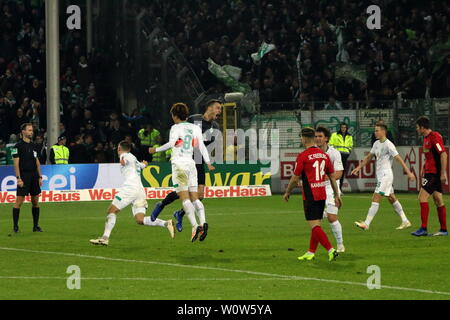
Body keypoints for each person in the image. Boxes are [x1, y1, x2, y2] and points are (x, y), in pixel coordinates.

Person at [150, 99, 222, 233]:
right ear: (209, 108)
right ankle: (162, 204)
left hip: (197, 160)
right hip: (186, 157)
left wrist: (207, 160)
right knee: (183, 193)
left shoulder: (215, 127)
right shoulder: (194, 120)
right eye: (218, 108)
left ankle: (180, 214)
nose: (220, 111)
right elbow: (181, 133)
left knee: (199, 195)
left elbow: (205, 144)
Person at [90, 140, 175, 246]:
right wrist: (145, 164)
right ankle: (166, 223)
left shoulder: (124, 156)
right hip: (140, 190)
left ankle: (105, 238)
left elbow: (124, 160)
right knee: (140, 219)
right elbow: (142, 166)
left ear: (119, 148)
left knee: (111, 210)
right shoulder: (134, 158)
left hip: (130, 188)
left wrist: (123, 161)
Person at [283, 127, 342, 262]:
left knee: (314, 226)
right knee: (316, 224)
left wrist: (288, 191)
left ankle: (331, 250)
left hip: (310, 195)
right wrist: (337, 195)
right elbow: (332, 177)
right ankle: (311, 252)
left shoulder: (303, 156)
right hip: (322, 194)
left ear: (304, 139)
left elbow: (295, 178)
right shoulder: (324, 155)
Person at [352, 122, 415, 230]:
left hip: (386, 175)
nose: (375, 132)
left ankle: (366, 223)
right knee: (391, 197)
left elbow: (398, 158)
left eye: (377, 130)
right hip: (381, 175)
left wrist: (408, 172)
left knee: (376, 197)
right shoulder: (376, 143)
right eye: (375, 130)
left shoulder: (388, 144)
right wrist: (358, 167)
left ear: (383, 131)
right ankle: (405, 221)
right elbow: (368, 157)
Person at [411, 116, 448, 237]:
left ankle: (423, 228)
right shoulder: (426, 138)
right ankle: (443, 230)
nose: (416, 130)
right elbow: (430, 156)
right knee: (438, 199)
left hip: (434, 173)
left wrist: (443, 173)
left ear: (422, 127)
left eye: (417, 127)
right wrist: (424, 167)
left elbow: (443, 154)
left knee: (422, 197)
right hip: (430, 172)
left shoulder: (434, 137)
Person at [315, 126, 345, 253]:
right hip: (317, 188)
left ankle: (340, 245)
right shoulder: (312, 153)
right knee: (316, 220)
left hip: (332, 187)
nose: (317, 139)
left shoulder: (334, 153)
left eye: (320, 136)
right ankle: (312, 250)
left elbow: (339, 173)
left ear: (326, 138)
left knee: (332, 217)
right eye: (316, 136)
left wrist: (325, 178)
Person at [11, 123, 43, 233]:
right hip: (24, 176)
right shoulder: (17, 147)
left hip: (34, 176)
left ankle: (35, 226)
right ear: (23, 132)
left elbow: (37, 162)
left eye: (32, 130)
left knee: (35, 202)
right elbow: (16, 163)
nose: (31, 132)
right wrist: (18, 178)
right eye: (29, 130)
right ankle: (15, 226)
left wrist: (40, 176)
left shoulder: (34, 146)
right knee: (19, 201)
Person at [329, 123, 353, 190]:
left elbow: (350, 146)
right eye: (342, 127)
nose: (343, 128)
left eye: (344, 127)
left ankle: (339, 188)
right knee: (334, 172)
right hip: (336, 155)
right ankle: (333, 188)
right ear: (340, 128)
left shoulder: (349, 136)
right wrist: (334, 153)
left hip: (345, 156)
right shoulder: (335, 135)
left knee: (341, 173)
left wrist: (348, 152)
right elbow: (331, 144)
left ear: (346, 128)